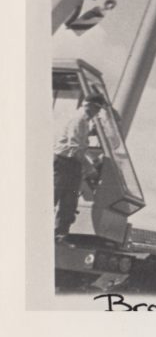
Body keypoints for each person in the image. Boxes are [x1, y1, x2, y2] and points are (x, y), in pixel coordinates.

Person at [53, 91, 105, 241]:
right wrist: (91, 169)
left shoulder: (83, 121)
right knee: (55, 195)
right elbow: (75, 148)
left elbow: (80, 147)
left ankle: (60, 234)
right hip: (65, 162)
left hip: (72, 164)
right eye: (97, 109)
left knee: (69, 201)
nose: (97, 113)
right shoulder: (78, 120)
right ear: (90, 106)